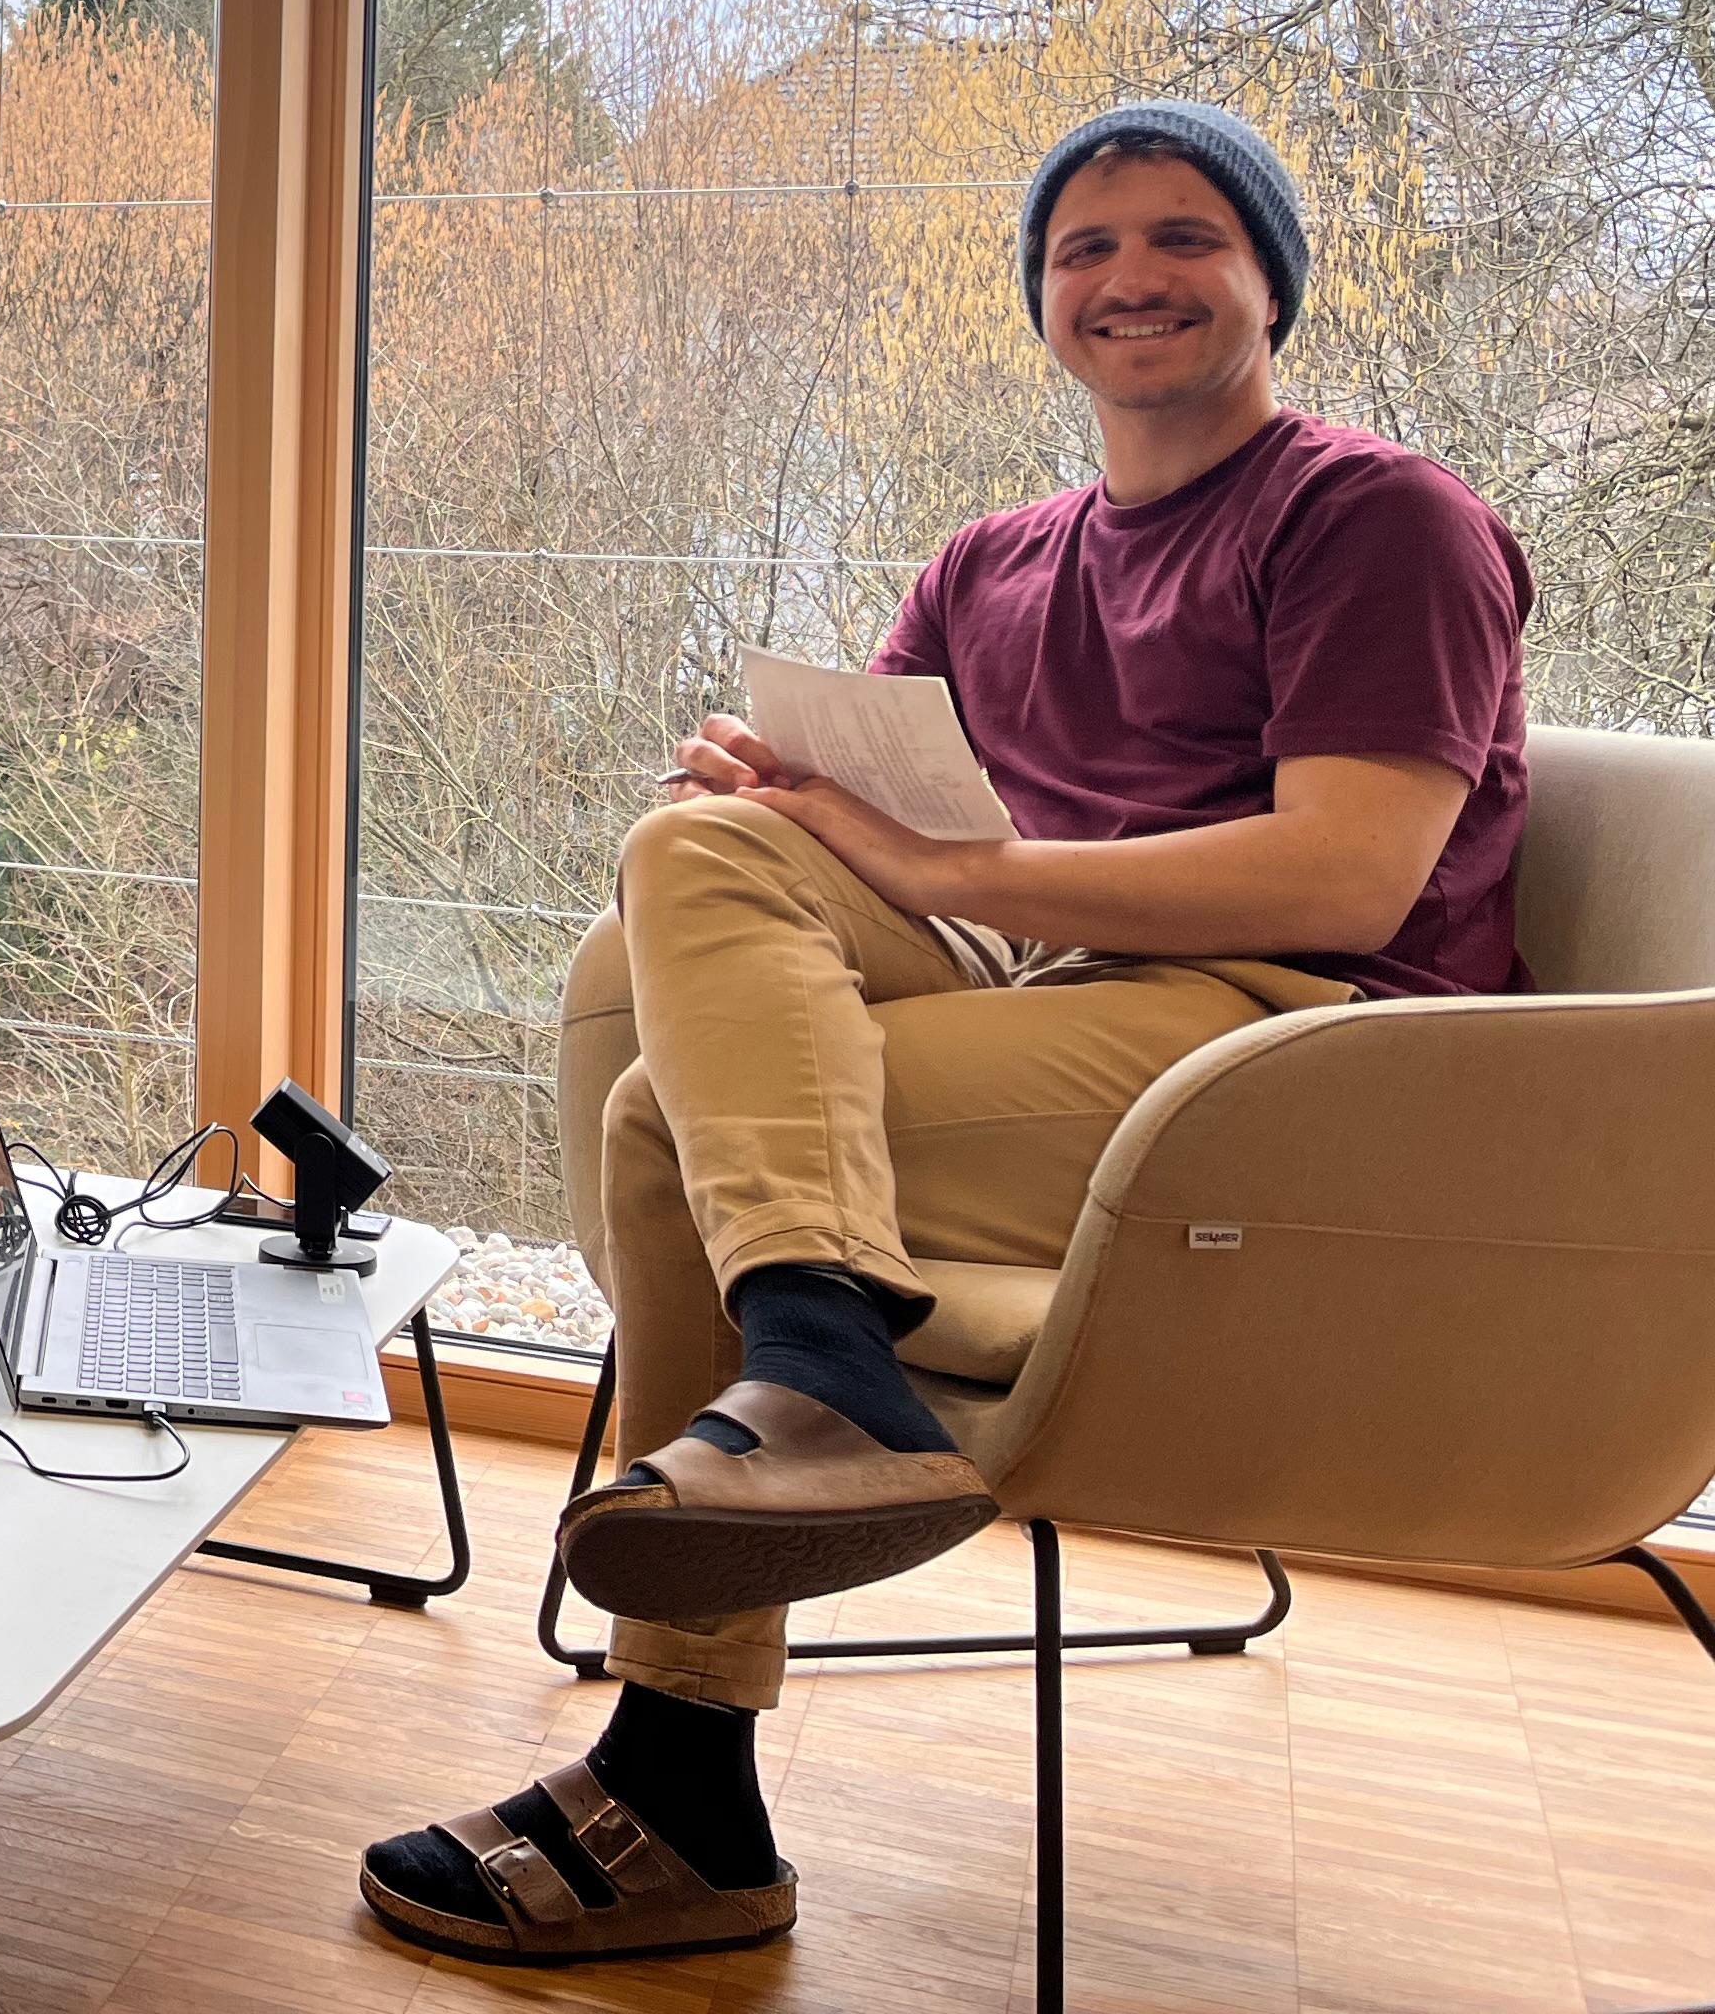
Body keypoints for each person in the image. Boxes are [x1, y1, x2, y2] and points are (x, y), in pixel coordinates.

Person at [358, 101, 1534, 1966]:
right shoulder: (995, 560)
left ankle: (691, 1748)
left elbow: (1350, 874)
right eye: (1084, 246)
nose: (1130, 274)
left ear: (1270, 284)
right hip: (1057, 1012)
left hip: (1298, 1062)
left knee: (675, 1127)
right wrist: (803, 802)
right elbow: (927, 865)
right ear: (1040, 300)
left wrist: (948, 854)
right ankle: (820, 1364)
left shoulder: (1373, 514)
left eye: (1182, 236)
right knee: (701, 838)